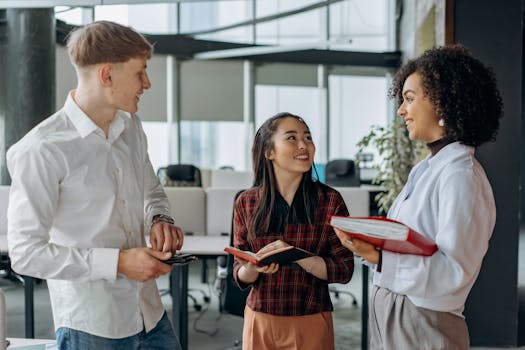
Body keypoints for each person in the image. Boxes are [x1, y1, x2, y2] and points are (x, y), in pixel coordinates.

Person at [7, 21, 184, 349]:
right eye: (140, 73)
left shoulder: (131, 127)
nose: (147, 83)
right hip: (93, 324)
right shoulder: (42, 149)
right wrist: (118, 262)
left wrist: (161, 218)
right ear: (107, 75)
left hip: (150, 314)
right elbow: (25, 253)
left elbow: (152, 191)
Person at [334, 44, 503, 349]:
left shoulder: (461, 177)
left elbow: (454, 273)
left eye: (409, 99)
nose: (401, 110)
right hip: (398, 317)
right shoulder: (427, 169)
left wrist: (380, 257)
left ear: (442, 103)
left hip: (423, 325)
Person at [232, 112, 355, 350]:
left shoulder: (329, 201)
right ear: (269, 152)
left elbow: (344, 269)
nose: (304, 145)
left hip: (310, 318)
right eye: (291, 138)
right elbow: (239, 272)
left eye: (307, 138)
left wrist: (299, 256)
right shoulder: (246, 202)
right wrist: (251, 267)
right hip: (260, 319)